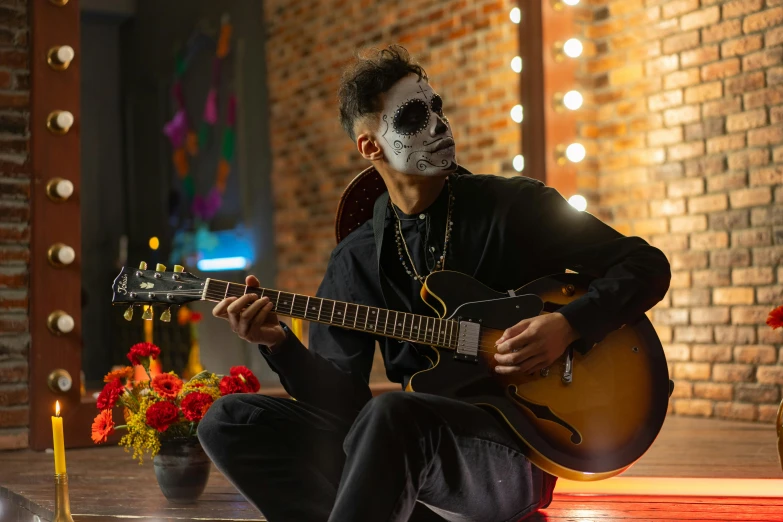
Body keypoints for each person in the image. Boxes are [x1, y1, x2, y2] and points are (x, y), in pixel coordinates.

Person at [198, 45, 671, 522]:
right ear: (371, 146)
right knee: (230, 420)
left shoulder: (513, 208)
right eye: (413, 116)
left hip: (512, 458)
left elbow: (645, 264)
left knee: (393, 415)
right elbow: (343, 403)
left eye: (437, 108)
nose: (439, 125)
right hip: (402, 455)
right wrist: (278, 343)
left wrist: (567, 325)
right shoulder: (356, 258)